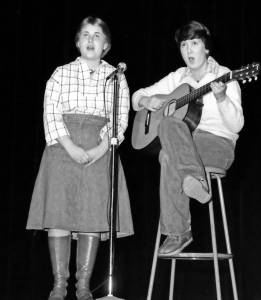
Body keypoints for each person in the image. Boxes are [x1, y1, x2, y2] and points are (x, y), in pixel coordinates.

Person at [26, 16, 133, 300]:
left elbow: (120, 119)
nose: (90, 40)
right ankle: (59, 285)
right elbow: (51, 111)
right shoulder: (61, 73)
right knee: (59, 213)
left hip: (100, 148)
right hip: (63, 148)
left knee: (91, 215)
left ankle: (83, 286)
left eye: (97, 36)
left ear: (106, 45)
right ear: (77, 41)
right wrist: (70, 146)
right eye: (85, 34)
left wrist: (101, 149)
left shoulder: (117, 78)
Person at [132, 20, 244, 256]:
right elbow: (137, 95)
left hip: (217, 144)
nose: (189, 50)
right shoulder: (178, 77)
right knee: (170, 127)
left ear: (206, 48)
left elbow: (236, 125)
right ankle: (194, 178)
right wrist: (146, 101)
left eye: (194, 43)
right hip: (185, 143)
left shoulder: (224, 76)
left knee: (167, 155)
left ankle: (178, 232)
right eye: (184, 45)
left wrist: (222, 98)